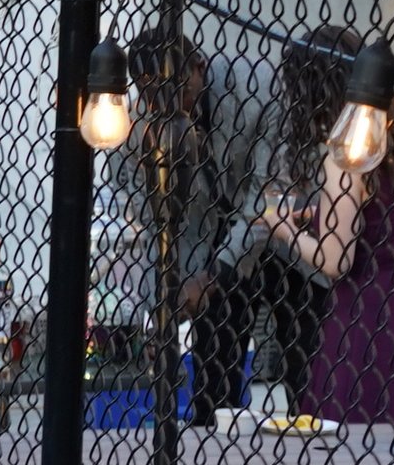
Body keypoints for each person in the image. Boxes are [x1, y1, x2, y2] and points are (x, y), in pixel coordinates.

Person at [119, 29, 301, 424]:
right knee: (211, 380)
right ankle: (212, 462)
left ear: (199, 67)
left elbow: (267, 195)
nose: (166, 105)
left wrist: (213, 274)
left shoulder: (260, 87)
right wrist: (168, 294)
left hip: (284, 234)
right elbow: (147, 208)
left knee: (302, 364)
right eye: (153, 97)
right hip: (205, 238)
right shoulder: (140, 121)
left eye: (175, 90)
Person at [261, 26, 394, 425]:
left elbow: (336, 259)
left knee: (352, 443)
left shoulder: (347, 154)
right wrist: (321, 214)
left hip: (363, 319)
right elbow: (385, 214)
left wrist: (283, 228)